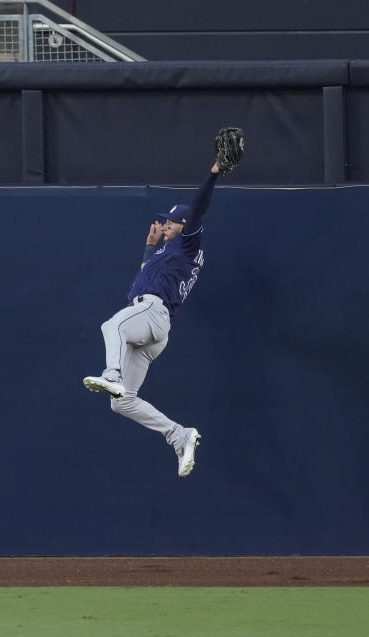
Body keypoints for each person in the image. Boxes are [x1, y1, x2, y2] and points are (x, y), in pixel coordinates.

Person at [82, 139, 241, 478]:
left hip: (152, 312)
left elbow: (197, 209)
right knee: (121, 401)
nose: (165, 226)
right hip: (155, 327)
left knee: (112, 327)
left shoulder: (187, 242)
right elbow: (143, 277)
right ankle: (179, 435)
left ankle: (111, 375)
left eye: (170, 223)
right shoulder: (169, 253)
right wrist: (149, 247)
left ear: (185, 227)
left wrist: (213, 173)